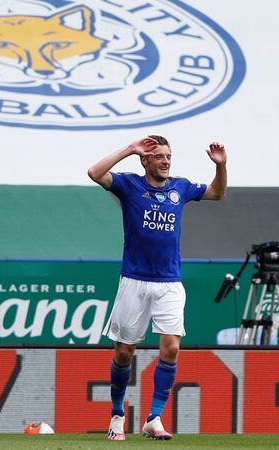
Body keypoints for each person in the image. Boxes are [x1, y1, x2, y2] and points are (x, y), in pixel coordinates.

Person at [87, 135, 227, 441]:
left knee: (172, 347)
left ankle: (154, 417)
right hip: (134, 281)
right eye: (159, 156)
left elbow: (217, 193)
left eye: (168, 156)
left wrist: (221, 166)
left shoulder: (181, 187)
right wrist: (129, 149)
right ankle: (116, 414)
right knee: (124, 353)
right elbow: (94, 173)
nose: (165, 161)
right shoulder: (129, 185)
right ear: (145, 161)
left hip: (169, 282)